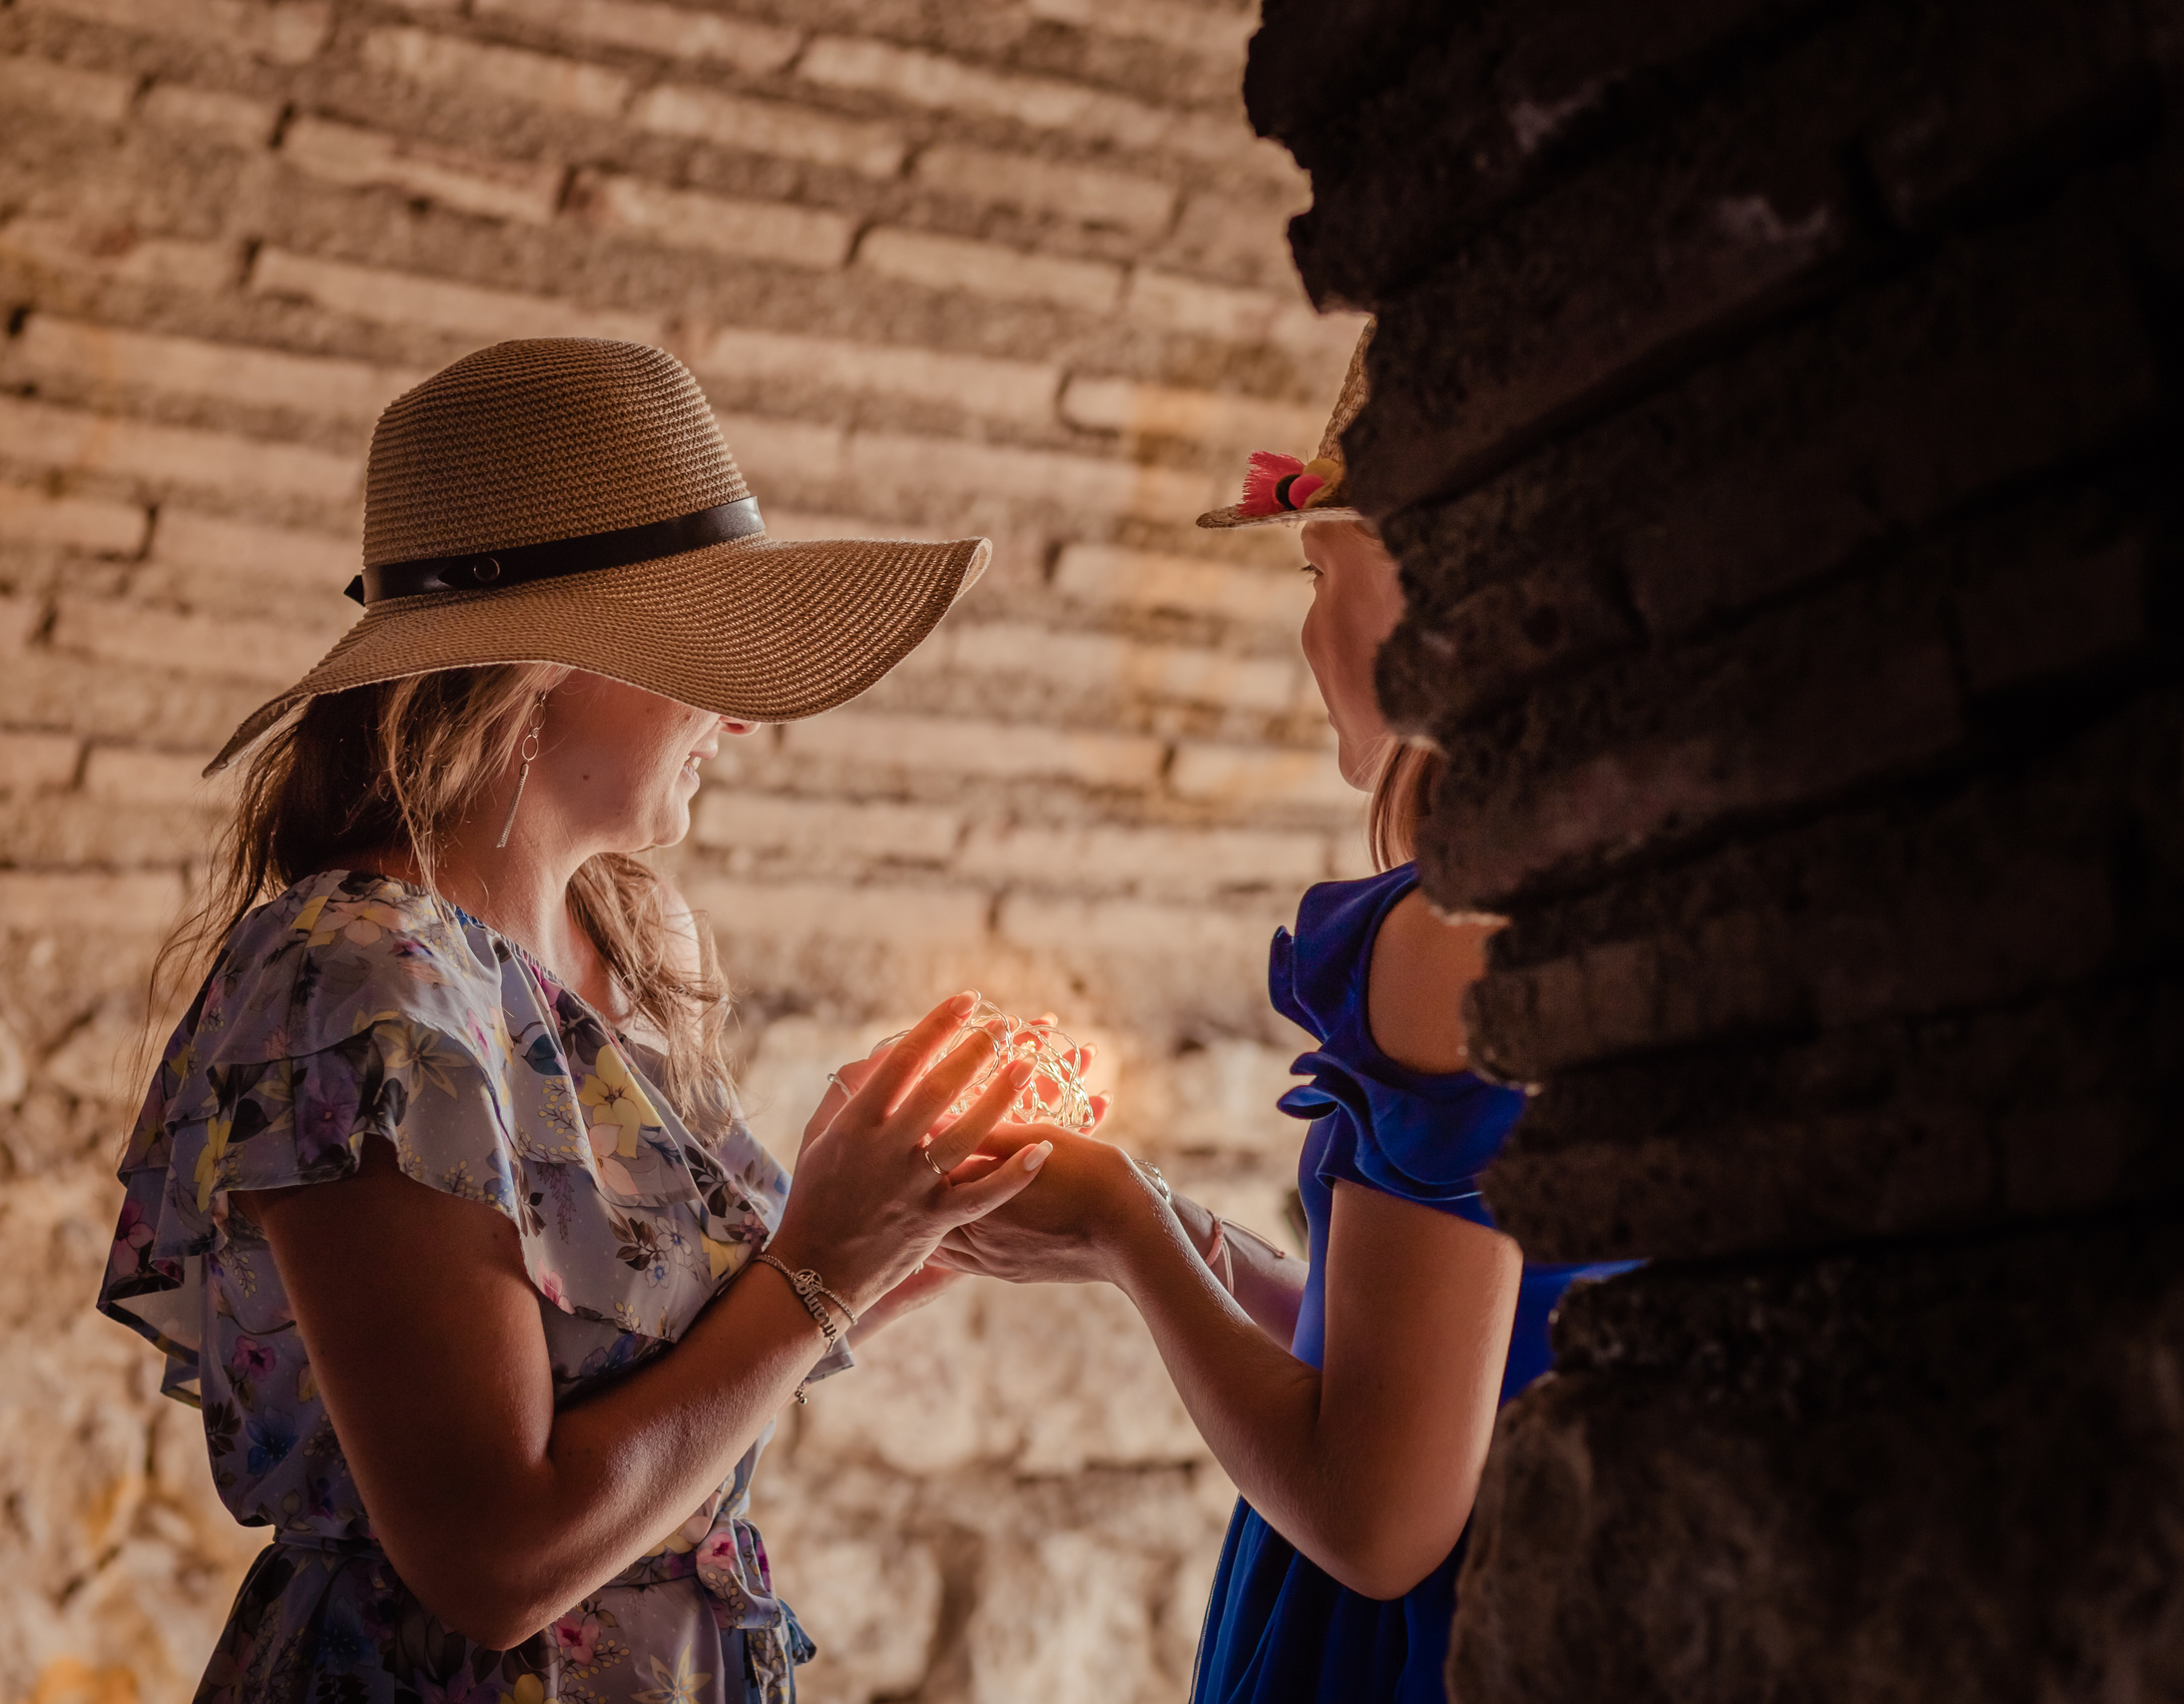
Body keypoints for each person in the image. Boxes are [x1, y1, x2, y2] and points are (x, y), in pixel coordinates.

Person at [95, 338, 1068, 1704]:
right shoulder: (357, 980)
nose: (735, 716)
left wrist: (896, 1241)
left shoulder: (633, 939)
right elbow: (493, 1563)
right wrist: (817, 1279)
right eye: (695, 651)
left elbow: (659, 1388)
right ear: (546, 663)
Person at [926, 331, 1637, 1703]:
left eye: (1322, 577)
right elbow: (1464, 1347)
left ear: (1438, 592)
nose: (1308, 633)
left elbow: (1378, 1520)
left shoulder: (1451, 935)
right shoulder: (1617, 891)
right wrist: (1191, 1242)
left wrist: (1130, 1236)